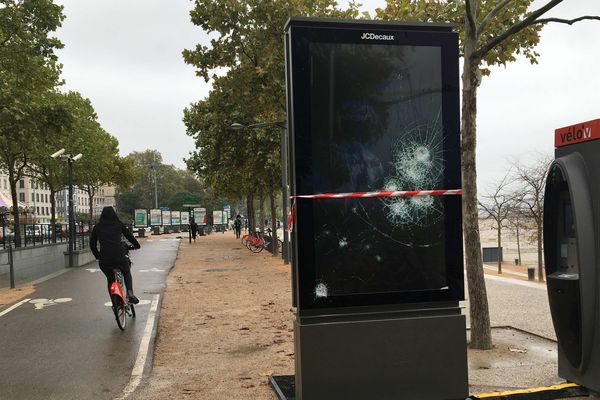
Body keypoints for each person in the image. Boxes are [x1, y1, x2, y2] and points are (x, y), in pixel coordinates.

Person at [90, 206, 141, 304]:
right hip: (119, 256)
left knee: (110, 278)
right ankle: (130, 293)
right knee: (126, 272)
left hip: (105, 259)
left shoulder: (97, 227)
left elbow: (92, 244)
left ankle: (114, 301)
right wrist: (136, 245)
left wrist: (98, 256)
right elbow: (129, 236)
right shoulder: (118, 224)